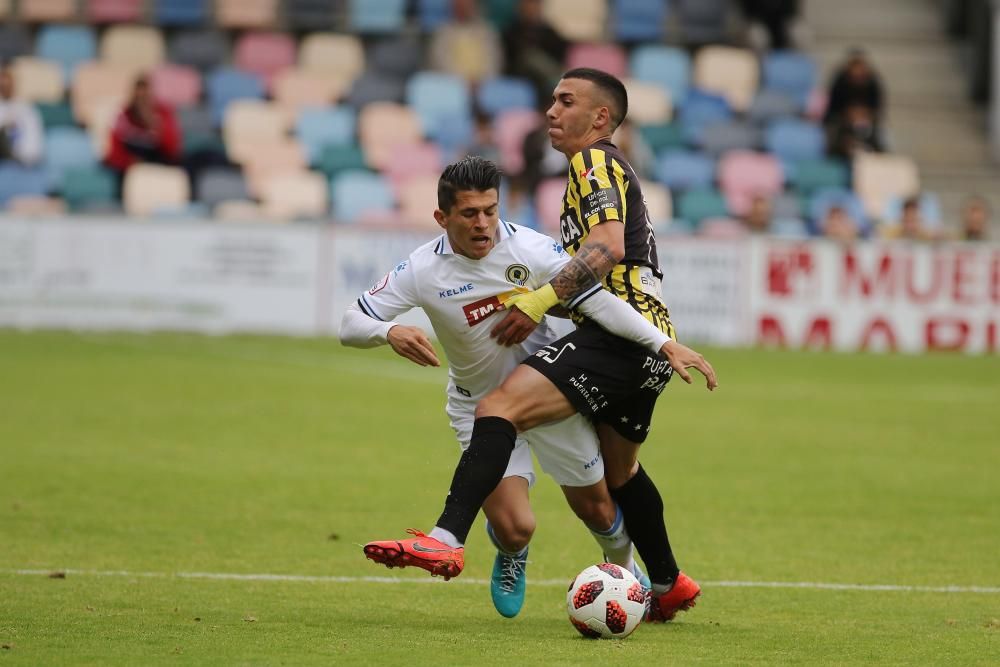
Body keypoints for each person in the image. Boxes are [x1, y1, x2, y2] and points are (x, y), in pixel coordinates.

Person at [364, 69, 718, 623]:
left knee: (499, 406)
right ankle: (667, 581)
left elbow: (604, 248)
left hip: (617, 337)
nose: (550, 111)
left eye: (565, 101)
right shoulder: (600, 168)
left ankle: (445, 537)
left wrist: (538, 301)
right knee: (620, 475)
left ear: (599, 117)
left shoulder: (592, 160)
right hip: (647, 341)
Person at [104, 74, 181, 177]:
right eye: (139, 96)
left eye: (146, 96)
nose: (142, 101)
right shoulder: (123, 116)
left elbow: (173, 151)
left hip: (158, 162)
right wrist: (130, 162)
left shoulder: (164, 114)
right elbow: (114, 153)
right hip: (129, 165)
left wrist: (156, 126)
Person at [502, 0, 568, 103]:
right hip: (520, 74)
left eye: (534, 5)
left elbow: (559, 56)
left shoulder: (549, 32)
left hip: (543, 79)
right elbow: (508, 62)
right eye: (527, 5)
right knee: (531, 57)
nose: (531, 9)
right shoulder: (511, 32)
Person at [429, 0, 503, 85]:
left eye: (467, 5)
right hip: (452, 86)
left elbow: (494, 61)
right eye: (459, 5)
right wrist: (463, 82)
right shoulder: (442, 32)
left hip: (484, 85)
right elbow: (440, 63)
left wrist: (481, 81)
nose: (463, 8)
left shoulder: (487, 31)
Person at [0, 64, 44, 166]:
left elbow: (34, 141)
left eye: (8, 85)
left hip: (23, 161)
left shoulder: (26, 108)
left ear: (14, 85)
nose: (5, 88)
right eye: (2, 86)